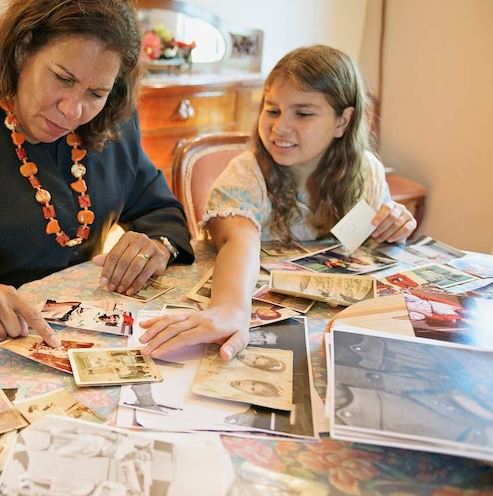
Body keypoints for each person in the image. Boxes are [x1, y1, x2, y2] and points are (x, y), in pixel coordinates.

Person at [0, 0, 194, 351]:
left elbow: (159, 209)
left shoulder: (111, 125)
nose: (73, 109)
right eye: (62, 78)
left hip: (82, 339)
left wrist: (157, 247)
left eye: (96, 92)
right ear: (23, 50)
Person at [139, 44, 417, 360]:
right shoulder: (247, 174)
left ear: (343, 121)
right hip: (258, 315)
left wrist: (397, 224)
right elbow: (239, 239)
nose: (280, 127)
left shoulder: (368, 173)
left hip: (338, 327)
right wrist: (229, 309)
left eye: (303, 113)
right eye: (272, 110)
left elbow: (372, 242)